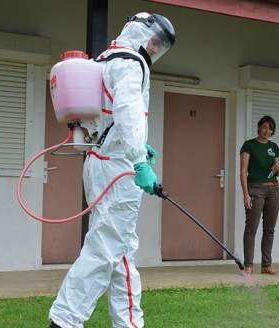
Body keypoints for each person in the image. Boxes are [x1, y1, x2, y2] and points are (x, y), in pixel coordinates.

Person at [48, 12, 175, 328]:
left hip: (99, 162)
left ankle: (129, 323)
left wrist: (133, 147)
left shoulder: (104, 60)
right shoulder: (132, 63)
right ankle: (63, 322)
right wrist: (138, 160)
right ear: (143, 35)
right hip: (118, 170)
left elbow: (106, 118)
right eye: (156, 42)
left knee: (120, 251)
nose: (155, 49)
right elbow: (129, 111)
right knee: (104, 250)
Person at [239, 115, 279, 276]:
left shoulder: (274, 146)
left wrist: (277, 168)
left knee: (269, 229)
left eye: (270, 129)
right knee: (251, 228)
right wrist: (246, 194)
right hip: (255, 189)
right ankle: (248, 265)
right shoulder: (249, 145)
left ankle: (266, 266)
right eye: (264, 127)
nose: (267, 131)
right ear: (258, 127)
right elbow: (243, 171)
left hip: (274, 190)